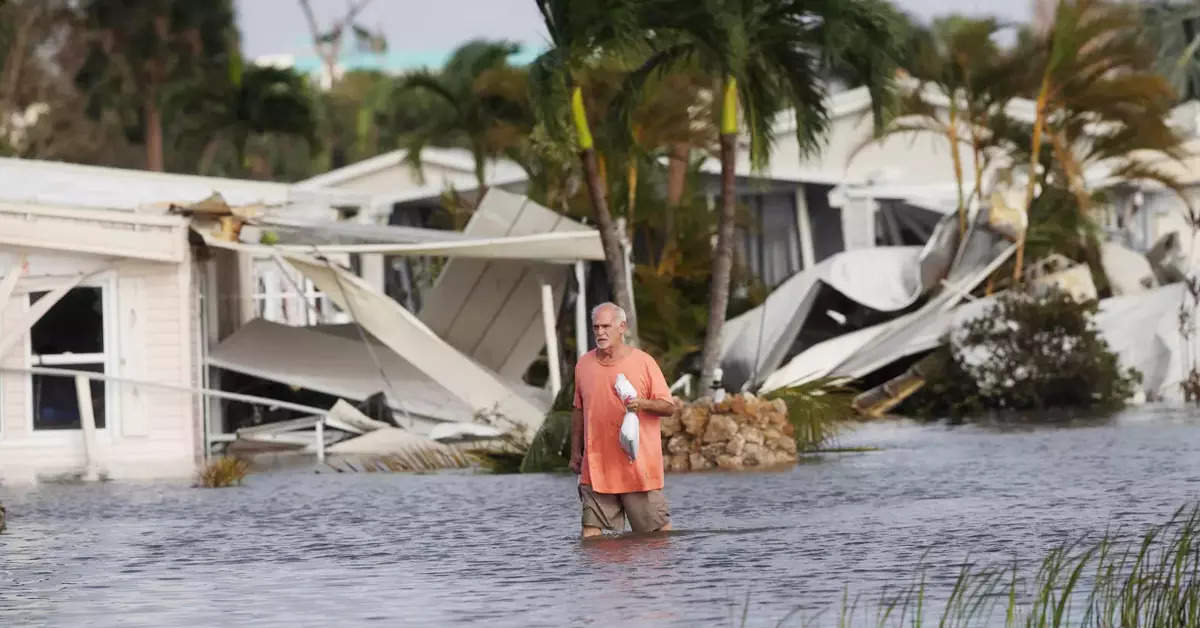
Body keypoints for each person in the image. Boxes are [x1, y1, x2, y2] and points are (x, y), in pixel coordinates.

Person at [570, 302, 677, 538]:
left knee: (658, 536)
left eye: (606, 326)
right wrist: (575, 452)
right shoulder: (583, 364)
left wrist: (643, 403)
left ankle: (661, 576)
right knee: (590, 537)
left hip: (637, 468)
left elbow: (668, 407)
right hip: (596, 467)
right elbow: (578, 410)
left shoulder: (644, 362)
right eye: (596, 327)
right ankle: (593, 577)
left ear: (622, 327)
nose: (600, 332)